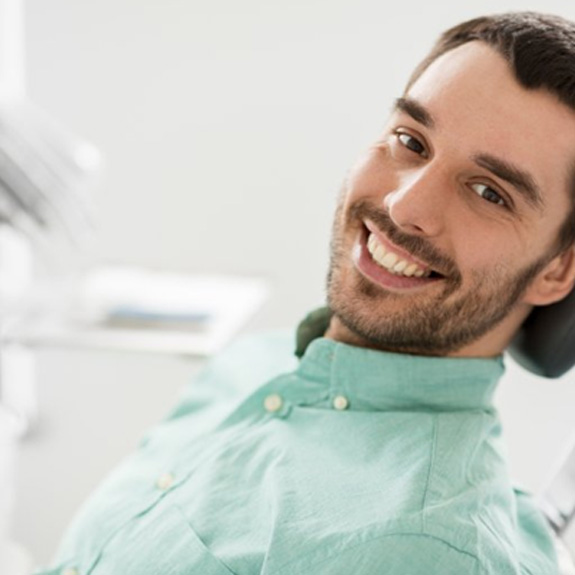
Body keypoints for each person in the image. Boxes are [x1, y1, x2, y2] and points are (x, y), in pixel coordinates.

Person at [38, 11, 575, 575]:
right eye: (410, 141)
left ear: (558, 271)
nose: (403, 206)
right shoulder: (253, 365)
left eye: (489, 192)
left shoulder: (424, 550)